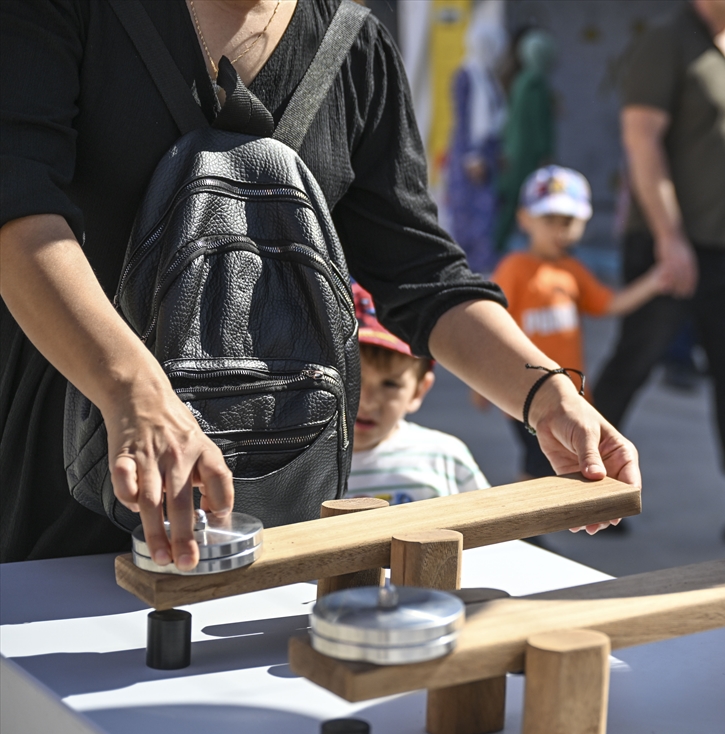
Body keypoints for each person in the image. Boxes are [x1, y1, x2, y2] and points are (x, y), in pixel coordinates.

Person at [0, 0, 637, 570]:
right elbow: (18, 215)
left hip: (275, 504)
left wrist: (547, 395)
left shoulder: (354, 46)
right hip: (60, 476)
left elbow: (422, 272)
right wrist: (133, 392)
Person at [593, 0, 725, 539]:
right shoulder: (666, 42)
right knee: (635, 363)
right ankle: (586, 489)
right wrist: (669, 238)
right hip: (670, 245)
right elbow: (641, 140)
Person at [488, 166, 668, 479]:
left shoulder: (573, 270)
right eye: (549, 220)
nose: (561, 231)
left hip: (570, 396)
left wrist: (654, 281)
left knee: (557, 464)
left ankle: (540, 522)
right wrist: (484, 383)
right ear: (524, 219)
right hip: (523, 395)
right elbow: (492, 323)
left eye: (569, 222)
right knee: (538, 464)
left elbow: (609, 303)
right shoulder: (513, 268)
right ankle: (528, 526)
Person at [347, 282, 488, 504]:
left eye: (390, 384)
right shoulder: (294, 467)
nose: (367, 401)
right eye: (353, 378)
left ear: (418, 391)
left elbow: (489, 528)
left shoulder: (444, 458)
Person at [444, 5, 507, 275]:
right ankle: (468, 274)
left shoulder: (487, 76)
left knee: (486, 215)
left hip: (485, 154)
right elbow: (466, 117)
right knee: (471, 216)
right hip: (471, 157)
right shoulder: (468, 75)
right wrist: (473, 155)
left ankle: (480, 272)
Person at [492, 28, 557, 255]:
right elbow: (539, 125)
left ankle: (496, 247)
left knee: (512, 202)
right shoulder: (536, 83)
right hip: (527, 154)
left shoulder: (520, 81)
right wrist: (545, 153)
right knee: (527, 202)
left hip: (514, 151)